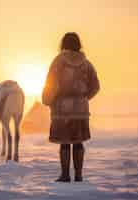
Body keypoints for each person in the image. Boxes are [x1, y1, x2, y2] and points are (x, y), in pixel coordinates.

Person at [42, 32, 100, 182]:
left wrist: (47, 100)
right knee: (78, 141)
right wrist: (84, 97)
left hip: (62, 110)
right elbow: (96, 86)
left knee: (65, 141)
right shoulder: (86, 63)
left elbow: (52, 83)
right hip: (81, 110)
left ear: (63, 44)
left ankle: (65, 175)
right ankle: (79, 175)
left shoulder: (58, 61)